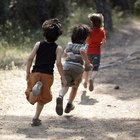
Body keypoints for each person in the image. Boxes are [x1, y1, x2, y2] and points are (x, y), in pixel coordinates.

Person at [25, 18, 67, 126]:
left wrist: (27, 72)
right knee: (42, 99)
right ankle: (35, 118)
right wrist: (63, 77)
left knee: (31, 97)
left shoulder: (38, 44)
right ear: (58, 35)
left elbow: (30, 58)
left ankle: (33, 93)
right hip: (47, 76)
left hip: (35, 73)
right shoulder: (58, 48)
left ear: (44, 33)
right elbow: (58, 63)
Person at [55, 24, 92, 116]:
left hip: (66, 67)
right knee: (74, 87)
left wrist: (67, 57)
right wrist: (87, 62)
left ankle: (60, 96)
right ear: (85, 37)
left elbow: (64, 55)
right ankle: (69, 104)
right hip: (78, 68)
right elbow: (83, 52)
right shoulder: (84, 46)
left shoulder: (69, 44)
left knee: (65, 86)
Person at [83, 13, 106, 91]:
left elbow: (87, 41)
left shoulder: (89, 31)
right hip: (97, 52)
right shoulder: (102, 31)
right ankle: (91, 79)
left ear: (92, 22)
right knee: (95, 67)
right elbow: (103, 41)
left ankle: (85, 81)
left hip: (89, 52)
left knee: (87, 68)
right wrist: (100, 44)